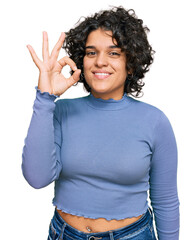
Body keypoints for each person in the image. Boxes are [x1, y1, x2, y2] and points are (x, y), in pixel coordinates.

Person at [22, 6, 180, 240]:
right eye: (91, 53)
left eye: (114, 53)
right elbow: (37, 178)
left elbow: (165, 200)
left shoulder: (155, 121)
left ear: (131, 63)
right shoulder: (60, 112)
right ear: (81, 61)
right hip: (65, 234)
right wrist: (45, 98)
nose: (100, 62)